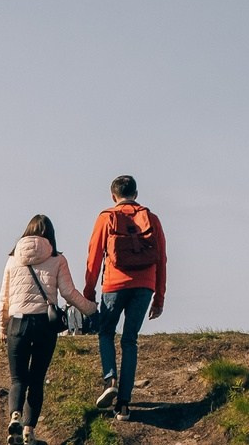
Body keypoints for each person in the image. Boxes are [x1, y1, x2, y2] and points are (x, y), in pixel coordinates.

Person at [0, 213, 96, 445]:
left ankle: (15, 416)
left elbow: (4, 297)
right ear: (50, 234)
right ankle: (28, 432)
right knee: (36, 379)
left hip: (18, 322)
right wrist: (91, 310)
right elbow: (68, 293)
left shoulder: (13, 258)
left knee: (17, 379)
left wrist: (2, 327)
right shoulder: (57, 258)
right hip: (44, 324)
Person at [83, 174, 166, 422]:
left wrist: (89, 293)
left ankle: (110, 380)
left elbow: (94, 257)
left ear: (113, 196)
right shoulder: (151, 218)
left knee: (106, 333)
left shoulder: (107, 217)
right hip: (145, 285)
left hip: (114, 284)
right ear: (136, 194)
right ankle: (124, 405)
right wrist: (159, 297)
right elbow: (161, 259)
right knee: (130, 340)